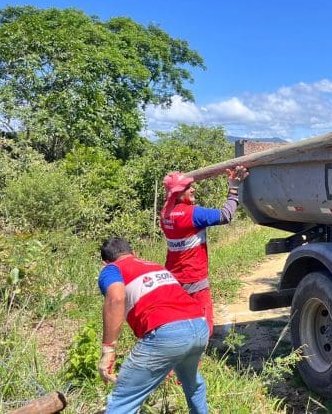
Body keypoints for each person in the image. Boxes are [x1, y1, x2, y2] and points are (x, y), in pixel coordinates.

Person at [97, 237, 209, 413]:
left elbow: (116, 298)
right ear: (134, 253)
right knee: (193, 383)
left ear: (105, 262)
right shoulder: (153, 266)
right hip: (199, 326)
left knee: (123, 400)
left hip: (168, 332)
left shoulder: (112, 269)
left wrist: (108, 350)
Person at [160, 166, 249, 334]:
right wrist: (234, 188)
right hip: (194, 278)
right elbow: (225, 215)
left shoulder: (165, 213)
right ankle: (198, 358)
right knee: (203, 323)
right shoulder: (193, 214)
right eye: (187, 188)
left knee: (181, 320)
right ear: (177, 193)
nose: (193, 189)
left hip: (174, 278)